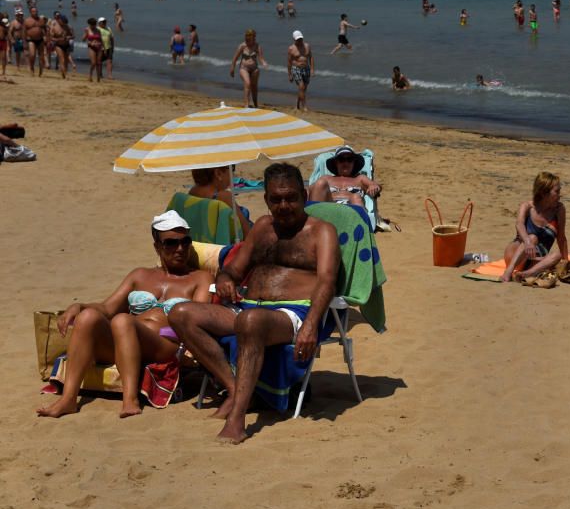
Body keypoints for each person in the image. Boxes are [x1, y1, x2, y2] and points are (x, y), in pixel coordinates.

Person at [169, 164, 342, 444]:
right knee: (180, 313)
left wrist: (311, 324)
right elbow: (233, 270)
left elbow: (327, 281)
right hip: (247, 308)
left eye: (291, 198)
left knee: (250, 321)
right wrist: (225, 280)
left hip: (291, 313)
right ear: (266, 199)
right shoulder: (263, 227)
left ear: (304, 195)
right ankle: (236, 390)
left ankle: (236, 419)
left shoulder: (322, 232)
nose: (284, 206)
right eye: (276, 199)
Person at [36, 212, 212, 419]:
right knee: (88, 317)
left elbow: (198, 318)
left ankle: (130, 399)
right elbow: (107, 308)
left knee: (122, 320)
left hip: (165, 344)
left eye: (185, 241)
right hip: (125, 339)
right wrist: (79, 306)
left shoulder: (200, 278)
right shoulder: (140, 275)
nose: (180, 248)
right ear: (157, 246)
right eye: (171, 243)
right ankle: (68, 399)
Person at [500, 172, 568, 282]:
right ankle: (508, 272)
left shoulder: (559, 210)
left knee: (558, 255)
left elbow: (561, 237)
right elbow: (519, 224)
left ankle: (527, 273)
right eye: (557, 191)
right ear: (544, 193)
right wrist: (527, 241)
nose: (560, 195)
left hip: (534, 260)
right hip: (514, 255)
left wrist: (566, 261)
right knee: (533, 238)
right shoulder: (527, 206)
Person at [307, 144, 380, 208]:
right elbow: (309, 190)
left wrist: (373, 186)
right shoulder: (326, 179)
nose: (346, 163)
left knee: (355, 197)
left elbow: (375, 186)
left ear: (354, 163)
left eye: (349, 159)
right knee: (320, 183)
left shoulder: (359, 178)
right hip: (328, 212)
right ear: (336, 163)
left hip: (353, 213)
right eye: (341, 159)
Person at [189, 166, 253, 237]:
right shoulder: (224, 197)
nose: (233, 173)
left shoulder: (193, 191)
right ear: (218, 173)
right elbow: (246, 232)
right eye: (232, 167)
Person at [230, 29, 266, 108]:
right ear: (247, 36)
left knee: (254, 86)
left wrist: (264, 63)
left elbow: (261, 58)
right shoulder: (242, 46)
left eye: (254, 36)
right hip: (244, 68)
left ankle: (255, 104)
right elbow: (235, 58)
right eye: (252, 36)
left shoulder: (257, 46)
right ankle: (246, 104)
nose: (254, 38)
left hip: (254, 69)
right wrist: (232, 68)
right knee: (247, 83)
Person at [287, 30, 313, 110]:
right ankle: (304, 106)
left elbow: (311, 57)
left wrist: (312, 69)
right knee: (301, 86)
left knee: (303, 89)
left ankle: (297, 104)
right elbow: (289, 62)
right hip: (296, 69)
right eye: (298, 39)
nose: (300, 40)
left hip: (306, 68)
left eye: (301, 39)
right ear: (294, 39)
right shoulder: (291, 48)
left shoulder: (307, 46)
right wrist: (290, 74)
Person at [23, 6, 45, 76]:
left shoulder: (41, 20)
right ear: (30, 12)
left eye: (36, 11)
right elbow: (24, 32)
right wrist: (24, 42)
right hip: (31, 40)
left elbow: (45, 29)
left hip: (40, 39)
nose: (35, 12)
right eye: (33, 11)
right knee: (32, 55)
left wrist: (47, 38)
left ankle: (41, 69)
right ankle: (32, 67)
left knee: (41, 56)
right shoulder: (27, 20)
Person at [49, 14, 72, 79]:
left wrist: (69, 37)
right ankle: (65, 75)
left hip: (66, 45)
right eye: (63, 21)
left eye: (65, 22)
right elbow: (51, 38)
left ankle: (64, 73)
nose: (64, 23)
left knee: (66, 61)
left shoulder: (67, 27)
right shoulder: (54, 27)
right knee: (62, 60)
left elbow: (72, 35)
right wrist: (58, 39)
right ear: (59, 20)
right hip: (58, 45)